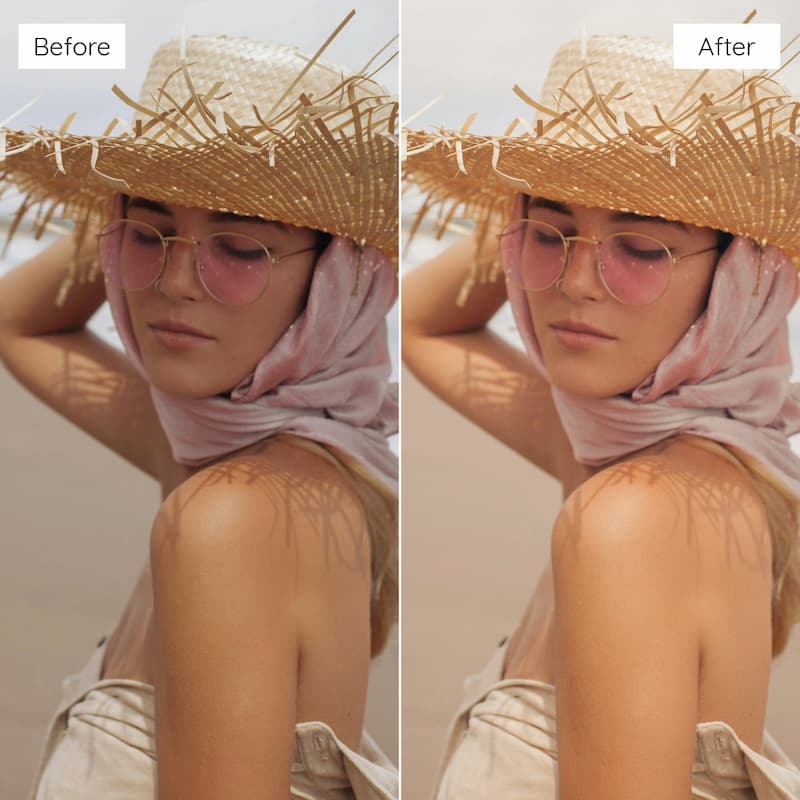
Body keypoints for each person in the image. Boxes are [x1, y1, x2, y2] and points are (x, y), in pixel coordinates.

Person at [0, 23, 398, 800]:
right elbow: (18, 322)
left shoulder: (232, 512)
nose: (177, 281)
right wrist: (138, 195)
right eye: (149, 235)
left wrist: (160, 191)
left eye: (240, 249)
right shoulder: (244, 458)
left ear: (339, 283)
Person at [403, 32, 800, 799]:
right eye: (549, 236)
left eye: (642, 248)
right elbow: (426, 324)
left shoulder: (635, 513)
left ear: (741, 280)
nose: (579, 281)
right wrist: (537, 196)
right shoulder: (658, 460)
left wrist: (561, 189)